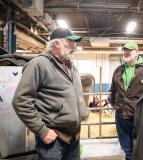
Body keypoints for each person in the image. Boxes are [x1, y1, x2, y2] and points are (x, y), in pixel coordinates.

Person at [12, 28, 88, 160]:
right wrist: (42, 130)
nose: (74, 46)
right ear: (57, 43)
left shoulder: (71, 66)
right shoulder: (39, 64)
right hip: (53, 138)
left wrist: (82, 112)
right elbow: (20, 101)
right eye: (70, 42)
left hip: (73, 136)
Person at [109, 41, 143, 160]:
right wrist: (116, 105)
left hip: (139, 115)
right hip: (121, 115)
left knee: (140, 146)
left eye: (130, 50)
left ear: (136, 52)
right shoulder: (118, 70)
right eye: (125, 50)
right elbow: (113, 91)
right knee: (126, 148)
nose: (126, 52)